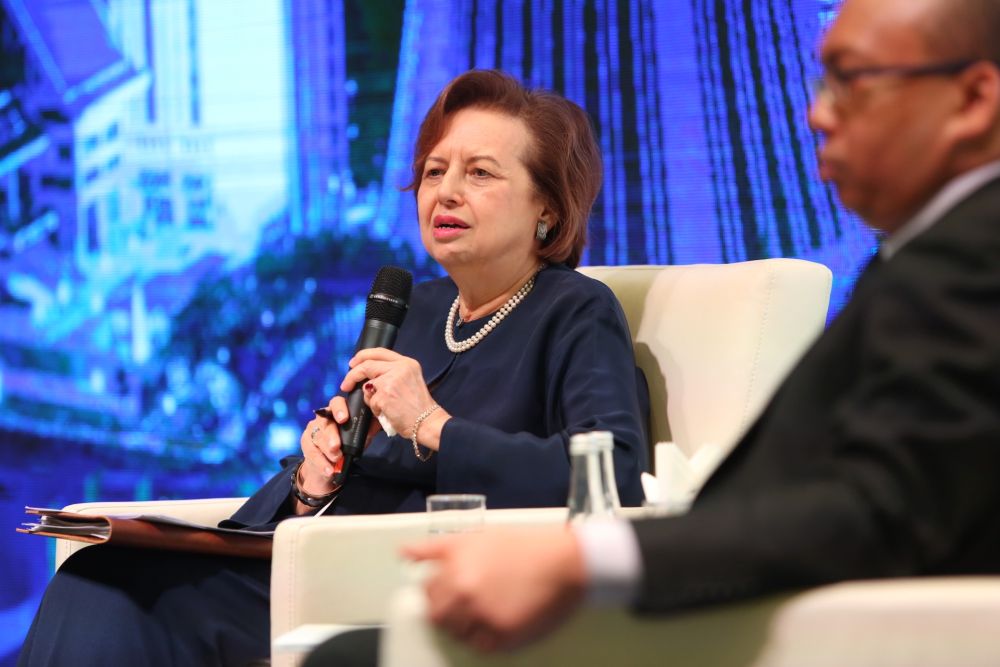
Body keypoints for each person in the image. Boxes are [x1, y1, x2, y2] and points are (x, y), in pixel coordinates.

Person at [398, 0, 1000, 655]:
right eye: (434, 169)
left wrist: (578, 559)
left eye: (851, 79)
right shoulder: (924, 257)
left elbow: (875, 506)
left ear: (973, 99)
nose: (817, 114)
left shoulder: (974, 259)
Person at [18, 70, 649, 666]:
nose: (445, 192)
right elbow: (344, 466)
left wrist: (431, 424)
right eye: (433, 171)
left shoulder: (576, 310)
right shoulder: (418, 307)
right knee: (98, 576)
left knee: (127, 597)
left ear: (549, 211)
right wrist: (310, 485)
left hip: (430, 582)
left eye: (480, 173)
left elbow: (612, 474)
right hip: (326, 565)